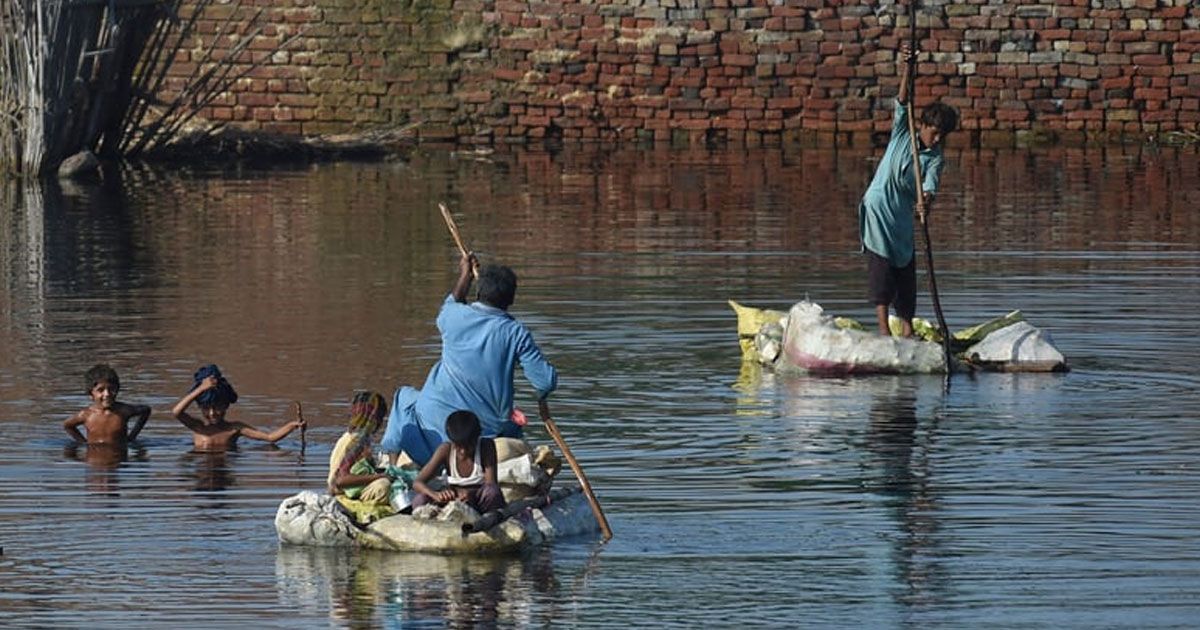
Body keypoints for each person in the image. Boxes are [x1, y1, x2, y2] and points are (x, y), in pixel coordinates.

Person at [381, 251, 557, 466]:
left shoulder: (452, 316)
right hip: (482, 432)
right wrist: (542, 395)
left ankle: (389, 462)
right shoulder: (515, 332)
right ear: (510, 299)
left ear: (479, 292)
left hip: (434, 426)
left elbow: (454, 300)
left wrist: (464, 275)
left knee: (403, 397)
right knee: (512, 426)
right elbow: (545, 381)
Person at [859, 41, 959, 337]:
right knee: (882, 268)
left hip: (901, 219)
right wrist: (908, 67)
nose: (938, 139)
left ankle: (906, 328)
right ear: (925, 125)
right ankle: (883, 331)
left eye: (944, 135)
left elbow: (929, 189)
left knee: (905, 269)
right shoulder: (903, 132)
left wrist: (925, 203)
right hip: (878, 209)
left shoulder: (934, 159)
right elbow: (903, 100)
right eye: (935, 132)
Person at [171, 364, 304, 450]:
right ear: (200, 407)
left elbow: (270, 438)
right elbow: (177, 412)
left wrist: (293, 425)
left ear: (226, 405)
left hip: (223, 470)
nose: (212, 413)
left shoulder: (234, 429)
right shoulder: (198, 426)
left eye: (217, 408)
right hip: (201, 471)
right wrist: (200, 389)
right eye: (206, 408)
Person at [411, 410, 505, 514]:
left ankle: (488, 519)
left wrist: (470, 494)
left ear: (477, 437)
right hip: (453, 501)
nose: (463, 451)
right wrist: (436, 495)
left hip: (478, 501)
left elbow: (491, 483)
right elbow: (417, 483)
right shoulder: (445, 450)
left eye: (469, 446)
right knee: (420, 499)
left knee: (492, 492)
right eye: (458, 446)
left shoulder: (486, 446)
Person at [327, 390, 396, 513]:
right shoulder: (358, 441)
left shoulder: (350, 437)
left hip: (344, 491)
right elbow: (340, 481)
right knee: (384, 486)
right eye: (380, 418)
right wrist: (380, 476)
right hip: (342, 494)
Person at [63, 364, 151, 447]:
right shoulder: (86, 415)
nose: (107, 394)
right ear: (91, 393)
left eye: (111, 389)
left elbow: (146, 410)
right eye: (100, 390)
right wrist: (83, 442)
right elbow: (68, 425)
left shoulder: (124, 411)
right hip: (94, 460)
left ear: (117, 389)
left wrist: (132, 437)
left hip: (119, 460)